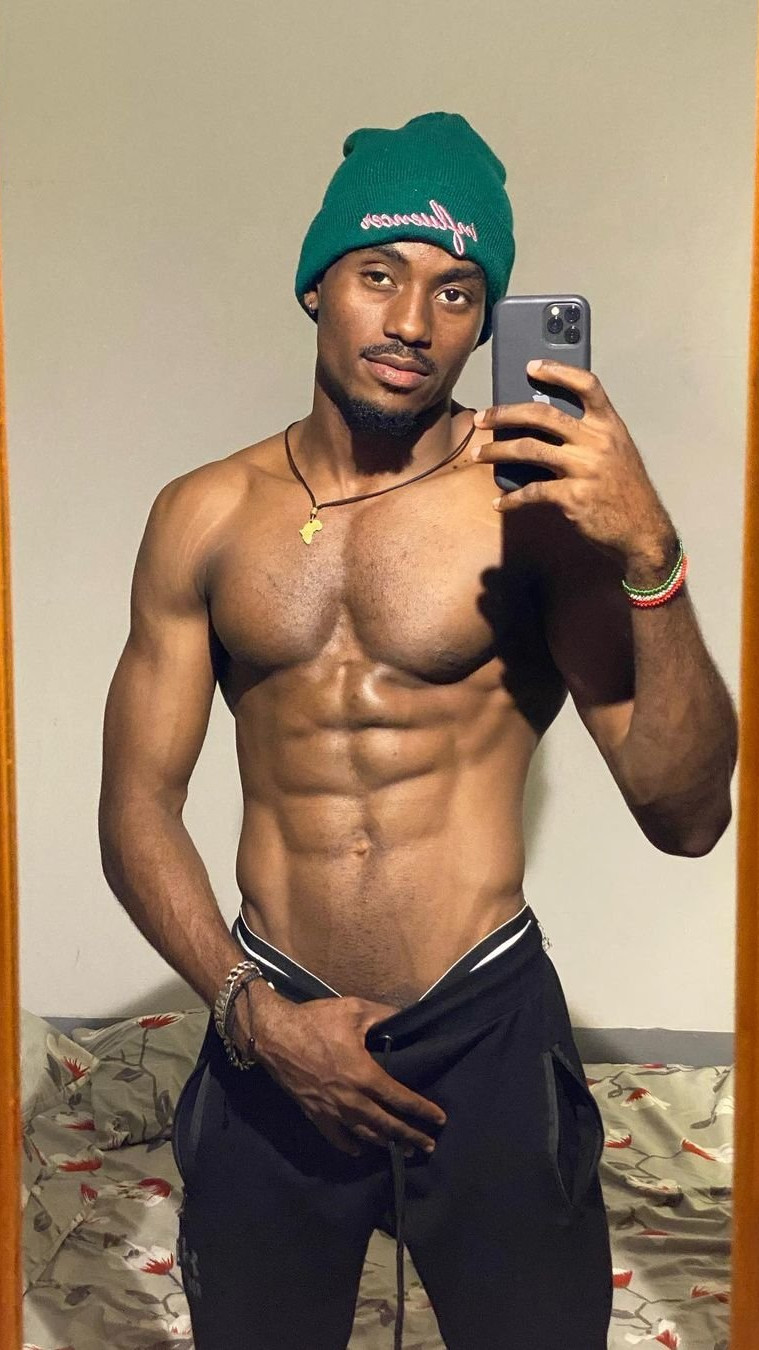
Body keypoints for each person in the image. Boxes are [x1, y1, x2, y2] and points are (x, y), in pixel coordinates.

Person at [98, 112, 738, 1350]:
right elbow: (136, 805)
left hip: (483, 1024)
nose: (411, 322)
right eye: (378, 274)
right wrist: (252, 1015)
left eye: (456, 291)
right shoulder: (204, 516)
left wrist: (652, 553)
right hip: (270, 1012)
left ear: (487, 321)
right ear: (315, 285)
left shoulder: (537, 513)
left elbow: (689, 815)